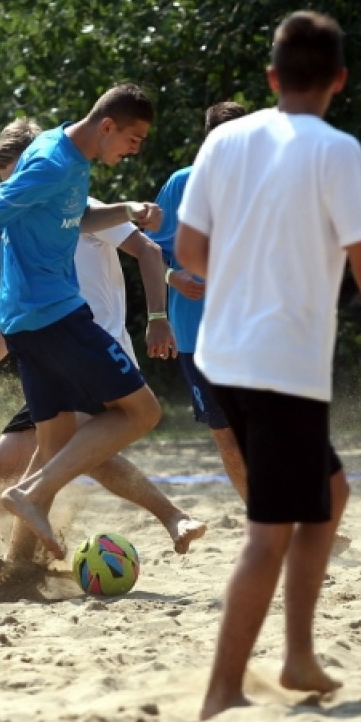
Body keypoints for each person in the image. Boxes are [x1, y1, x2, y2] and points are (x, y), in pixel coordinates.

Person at [174, 11, 361, 719]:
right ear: (340, 80)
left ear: (271, 78)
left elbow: (189, 252)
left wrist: (248, 264)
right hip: (280, 364)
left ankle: (296, 656)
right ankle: (222, 691)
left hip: (220, 359)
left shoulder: (224, 139)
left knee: (332, 491)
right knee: (269, 535)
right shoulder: (337, 150)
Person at [0, 83, 165, 564]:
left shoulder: (66, 155)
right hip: (56, 319)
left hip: (33, 326)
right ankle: (149, 512)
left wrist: (127, 210)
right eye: (134, 139)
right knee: (140, 416)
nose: (134, 150)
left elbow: (78, 217)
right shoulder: (50, 164)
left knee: (49, 449)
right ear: (107, 127)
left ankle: (19, 567)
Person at [0, 119, 206, 555]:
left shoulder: (76, 204)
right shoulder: (19, 228)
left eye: (15, 180)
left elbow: (150, 249)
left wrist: (159, 311)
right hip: (51, 353)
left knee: (63, 458)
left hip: (91, 349)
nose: (11, 195)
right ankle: (26, 557)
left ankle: (24, 563)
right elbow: (12, 320)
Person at [149, 102, 250, 501]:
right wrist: (173, 276)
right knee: (227, 438)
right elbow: (148, 250)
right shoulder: (180, 185)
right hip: (195, 333)